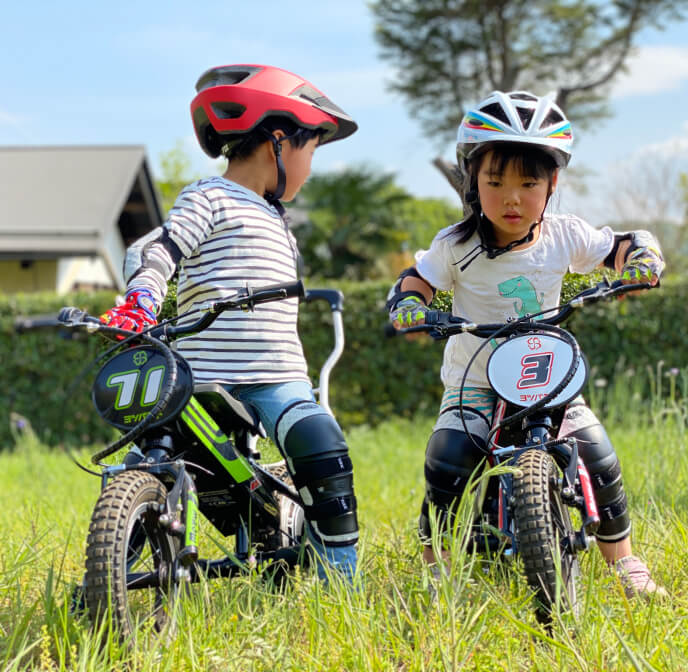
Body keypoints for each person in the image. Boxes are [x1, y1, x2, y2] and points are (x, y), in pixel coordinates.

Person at [386, 90, 666, 598]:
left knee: (596, 453)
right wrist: (410, 305)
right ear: (472, 182)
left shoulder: (564, 235)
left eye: (529, 183)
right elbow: (417, 279)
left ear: (552, 183)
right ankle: (436, 566)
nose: (512, 198)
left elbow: (620, 244)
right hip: (475, 380)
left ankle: (624, 562)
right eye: (495, 183)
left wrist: (640, 259)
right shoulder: (458, 245)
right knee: (449, 456)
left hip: (546, 378)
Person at [100, 64, 359, 582]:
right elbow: (163, 250)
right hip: (201, 376)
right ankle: (109, 569)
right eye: (312, 149)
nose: (310, 166)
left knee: (319, 444)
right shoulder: (208, 198)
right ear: (280, 142)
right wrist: (143, 299)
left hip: (275, 376)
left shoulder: (277, 220)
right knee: (142, 457)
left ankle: (340, 580)